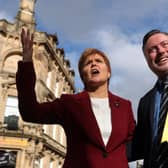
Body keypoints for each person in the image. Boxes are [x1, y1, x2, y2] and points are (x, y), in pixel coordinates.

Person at [16, 28, 135, 168]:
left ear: (108, 73)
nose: (93, 64)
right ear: (83, 75)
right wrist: (27, 63)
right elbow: (30, 112)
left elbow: (132, 142)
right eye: (88, 63)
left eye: (98, 61)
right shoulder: (70, 103)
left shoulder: (124, 106)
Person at [132, 29, 168, 168]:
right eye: (152, 50)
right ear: (147, 60)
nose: (161, 51)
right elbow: (138, 148)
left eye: (165, 44)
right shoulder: (145, 102)